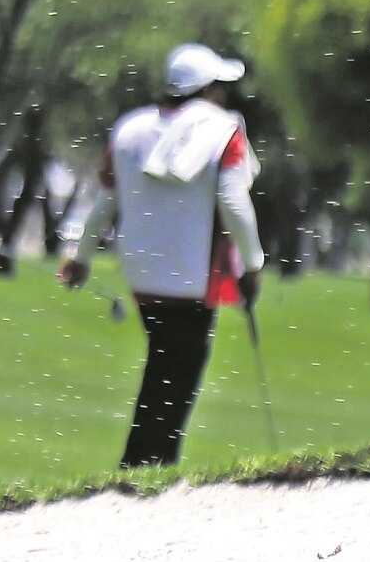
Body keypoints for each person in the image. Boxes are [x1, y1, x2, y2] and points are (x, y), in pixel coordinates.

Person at [57, 43, 266, 469]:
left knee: (164, 365)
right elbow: (233, 201)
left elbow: (105, 202)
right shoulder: (221, 128)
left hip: (142, 272)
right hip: (192, 274)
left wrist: (81, 257)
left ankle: (145, 461)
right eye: (219, 87)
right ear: (206, 90)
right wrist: (253, 263)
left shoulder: (129, 128)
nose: (224, 96)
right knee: (178, 374)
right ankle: (146, 463)